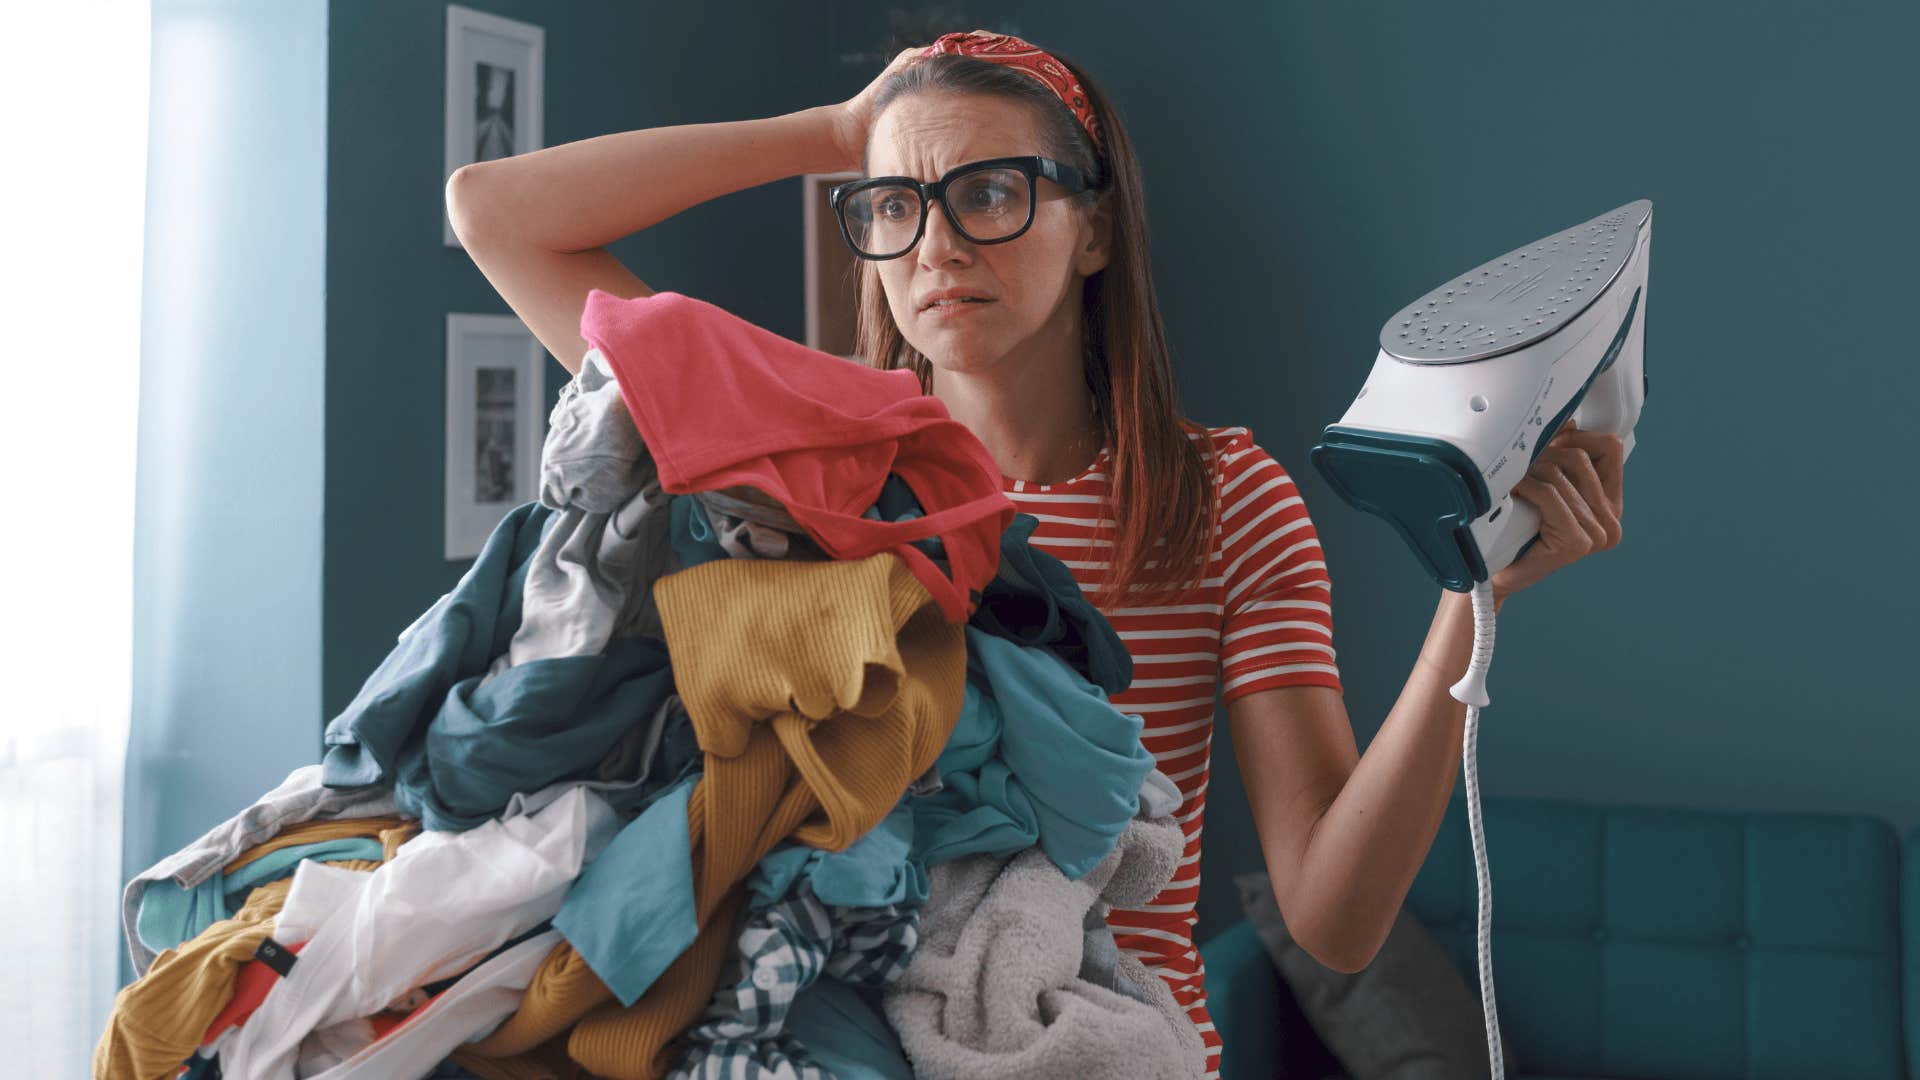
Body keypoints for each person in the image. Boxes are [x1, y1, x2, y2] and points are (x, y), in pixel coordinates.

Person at [447, 29, 1627, 1079]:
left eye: (991, 191)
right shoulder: (810, 462)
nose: (938, 244)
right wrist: (840, 129)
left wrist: (1467, 604)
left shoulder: (1223, 500)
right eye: (897, 204)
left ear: (1096, 226)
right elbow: (495, 216)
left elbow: (1334, 923)